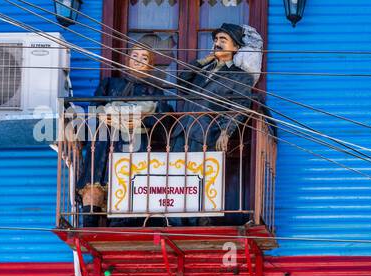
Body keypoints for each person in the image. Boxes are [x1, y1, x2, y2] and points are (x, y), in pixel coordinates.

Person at [74, 43, 172, 225]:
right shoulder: (110, 83)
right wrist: (103, 115)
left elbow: (163, 120)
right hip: (104, 143)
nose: (138, 61)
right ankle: (89, 226)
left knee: (127, 186)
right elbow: (94, 109)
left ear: (150, 65)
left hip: (134, 144)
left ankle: (121, 225)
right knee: (94, 184)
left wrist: (140, 120)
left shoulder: (156, 91)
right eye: (135, 56)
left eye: (144, 58)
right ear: (127, 60)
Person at [174, 22, 256, 223]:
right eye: (216, 40)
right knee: (176, 175)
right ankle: (174, 219)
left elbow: (240, 104)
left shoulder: (240, 76)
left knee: (198, 176)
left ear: (235, 47)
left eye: (223, 40)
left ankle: (199, 220)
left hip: (205, 131)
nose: (217, 44)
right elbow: (181, 84)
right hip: (182, 128)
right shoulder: (203, 68)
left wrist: (226, 131)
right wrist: (203, 61)